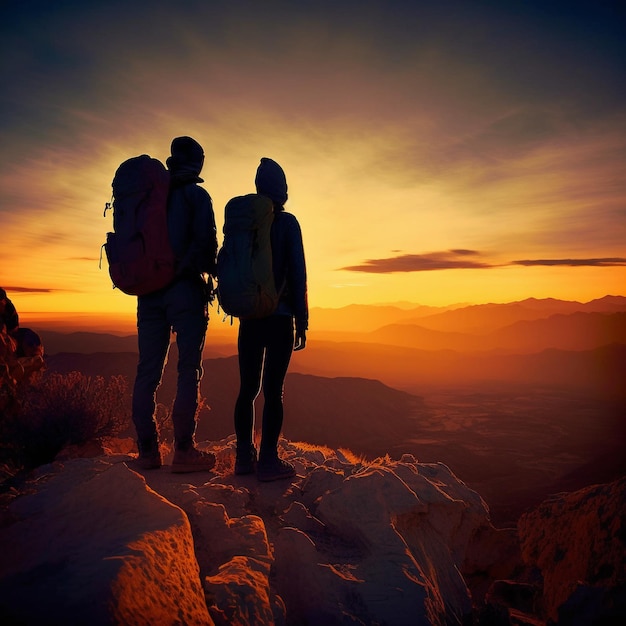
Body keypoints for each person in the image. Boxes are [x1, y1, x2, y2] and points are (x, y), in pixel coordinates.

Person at [132, 136, 218, 472]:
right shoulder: (196, 195)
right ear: (196, 162)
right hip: (184, 291)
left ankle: (147, 451)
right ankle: (183, 451)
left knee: (147, 372)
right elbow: (207, 247)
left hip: (148, 292)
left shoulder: (148, 197)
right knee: (187, 369)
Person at [233, 157, 308, 481]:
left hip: (250, 316)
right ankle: (267, 462)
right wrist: (302, 320)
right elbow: (298, 272)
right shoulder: (288, 223)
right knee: (273, 392)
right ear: (284, 191)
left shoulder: (245, 222)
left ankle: (243, 459)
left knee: (247, 389)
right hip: (279, 318)